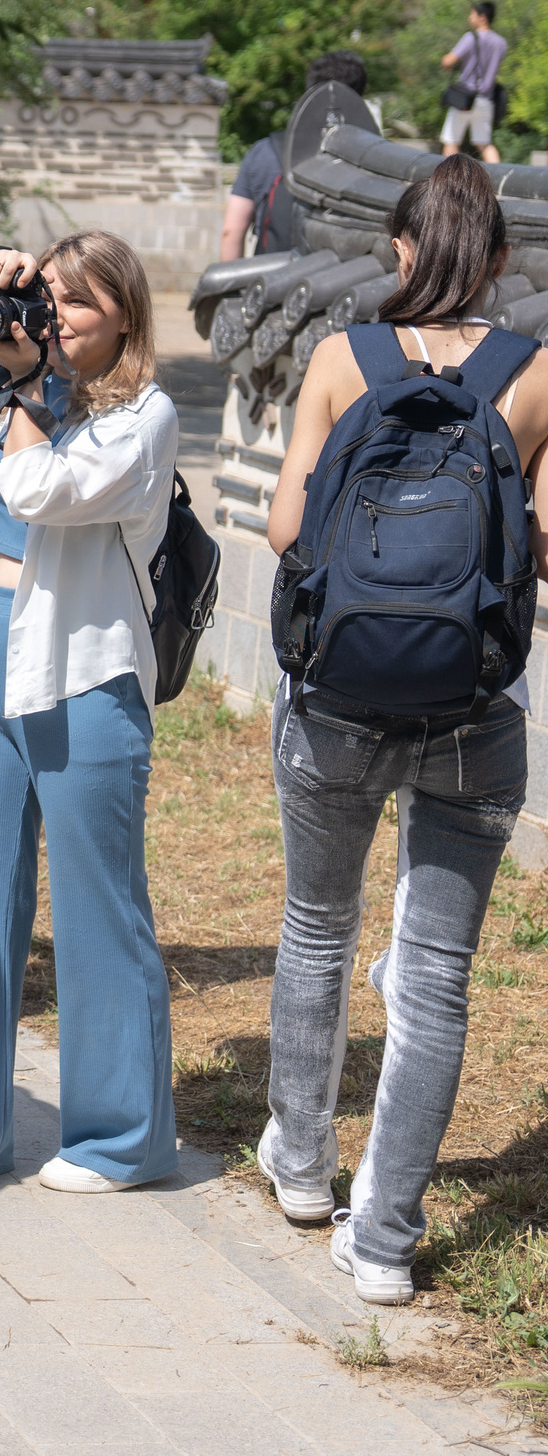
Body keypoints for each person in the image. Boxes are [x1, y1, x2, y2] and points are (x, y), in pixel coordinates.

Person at [262, 156, 544, 1305]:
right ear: (502, 260)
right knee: (432, 975)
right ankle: (381, 1242)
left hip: (333, 703)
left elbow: (284, 525)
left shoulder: (341, 358)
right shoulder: (533, 374)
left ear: (397, 251)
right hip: (471, 715)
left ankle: (300, 1166)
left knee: (315, 929)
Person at [0, 234, 178, 1198]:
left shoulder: (143, 416)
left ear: (126, 318)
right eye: (47, 295)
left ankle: (120, 1139)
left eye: (79, 302)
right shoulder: (18, 369)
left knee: (100, 908)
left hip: (84, 671)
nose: (54, 316)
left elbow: (38, 488)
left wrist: (19, 384)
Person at [223, 51, 371, 261]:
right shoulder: (377, 157)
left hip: (272, 275)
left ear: (309, 90)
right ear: (360, 95)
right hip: (349, 277)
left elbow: (230, 232)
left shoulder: (266, 151)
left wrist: (233, 279)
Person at [442, 3, 508, 164]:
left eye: (472, 15)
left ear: (482, 17)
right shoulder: (501, 43)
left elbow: (448, 61)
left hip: (465, 98)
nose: (469, 18)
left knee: (451, 141)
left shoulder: (471, 38)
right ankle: (499, 175)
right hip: (486, 99)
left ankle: (448, 177)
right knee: (484, 144)